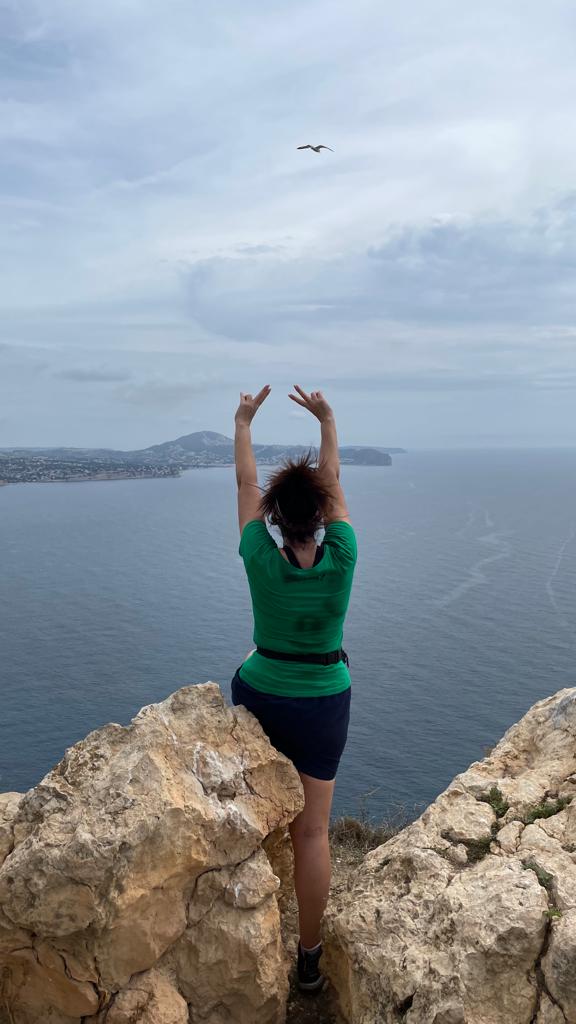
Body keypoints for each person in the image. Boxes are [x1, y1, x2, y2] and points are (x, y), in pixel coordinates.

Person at [231, 383, 357, 993]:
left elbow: (244, 487)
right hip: (324, 701)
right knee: (311, 831)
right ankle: (308, 960)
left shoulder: (259, 554)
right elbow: (331, 484)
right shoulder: (344, 556)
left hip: (260, 694)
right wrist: (327, 421)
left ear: (276, 518)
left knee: (258, 818)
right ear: (323, 514)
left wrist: (244, 423)